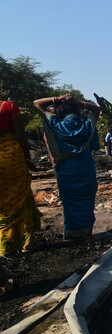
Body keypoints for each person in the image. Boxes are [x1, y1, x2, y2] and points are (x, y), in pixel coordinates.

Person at [34, 95, 101, 241]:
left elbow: (37, 103)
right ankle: (87, 234)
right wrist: (77, 102)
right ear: (76, 111)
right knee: (87, 201)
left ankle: (70, 234)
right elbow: (96, 109)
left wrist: (57, 99)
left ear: (59, 113)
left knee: (69, 203)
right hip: (85, 169)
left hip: (66, 169)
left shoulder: (56, 124)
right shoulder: (87, 125)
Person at [0, 99, 40, 255]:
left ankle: (5, 246)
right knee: (21, 196)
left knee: (2, 201)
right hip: (12, 157)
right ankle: (26, 244)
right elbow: (21, 136)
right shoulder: (9, 106)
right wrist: (27, 159)